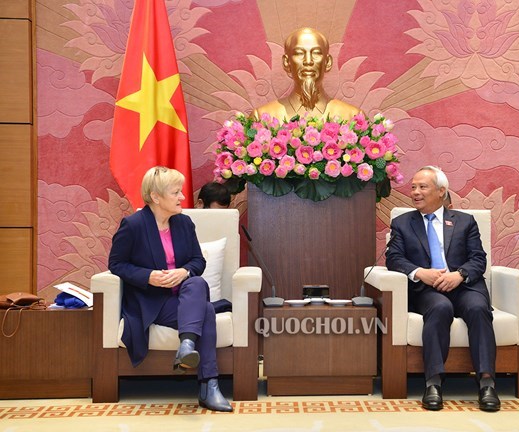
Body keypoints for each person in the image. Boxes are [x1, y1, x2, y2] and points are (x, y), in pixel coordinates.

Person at [108, 166, 232, 412]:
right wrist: (148, 276)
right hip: (152, 302)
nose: (182, 197)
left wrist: (183, 272)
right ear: (156, 197)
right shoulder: (133, 225)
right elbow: (116, 264)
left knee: (196, 281)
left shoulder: (184, 223)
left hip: (184, 299)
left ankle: (186, 346)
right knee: (206, 311)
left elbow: (198, 261)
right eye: (176, 192)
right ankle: (209, 387)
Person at [386, 166, 500, 412]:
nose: (415, 192)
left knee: (479, 308)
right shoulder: (402, 223)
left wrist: (459, 275)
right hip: (427, 290)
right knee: (440, 308)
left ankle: (487, 383)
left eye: (422, 187)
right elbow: (393, 258)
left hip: (463, 285)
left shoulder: (465, 222)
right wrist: (420, 273)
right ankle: (433, 382)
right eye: (413, 187)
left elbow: (479, 259)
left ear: (441, 191)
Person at [251, 27, 360, 122]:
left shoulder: (352, 117)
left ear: (328, 62)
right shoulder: (261, 118)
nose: (308, 61)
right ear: (286, 62)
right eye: (299, 53)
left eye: (316, 53)